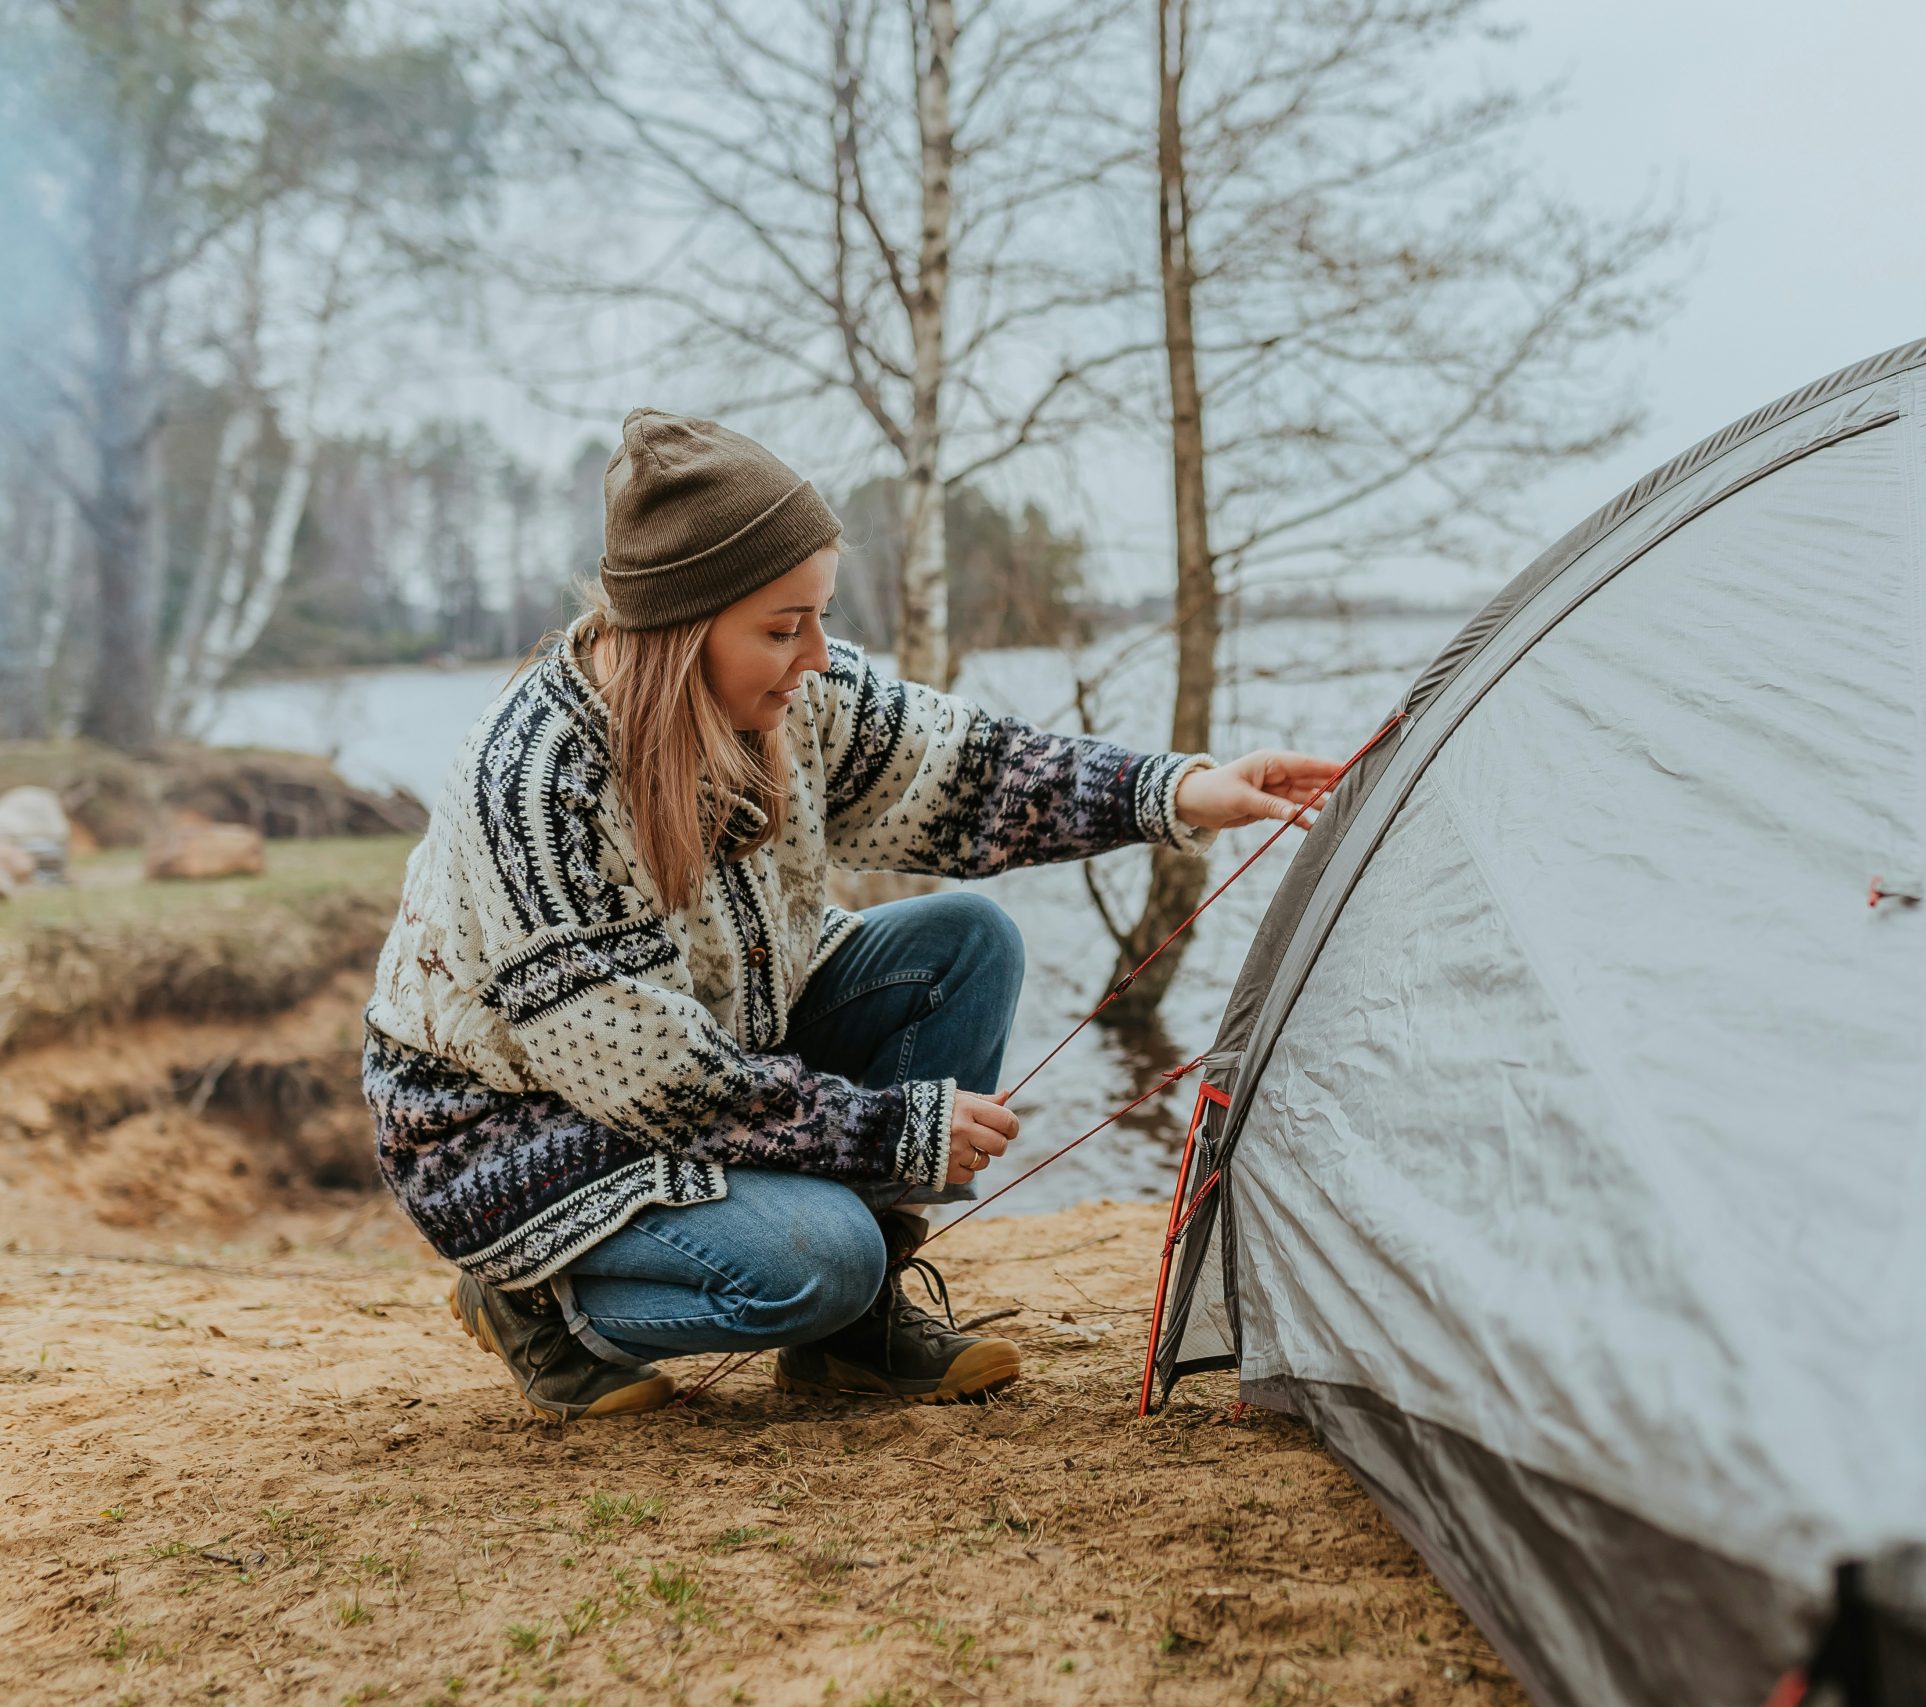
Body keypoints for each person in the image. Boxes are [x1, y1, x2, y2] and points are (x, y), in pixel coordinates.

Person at [361, 407, 1337, 1420]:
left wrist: (1180, 793)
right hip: (517, 1130)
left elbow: (971, 772)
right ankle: (536, 1297)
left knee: (964, 944)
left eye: (819, 617)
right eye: (784, 629)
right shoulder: (536, 784)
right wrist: (888, 1135)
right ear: (681, 630)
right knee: (816, 1264)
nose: (818, 655)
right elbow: (650, 1076)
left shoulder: (792, 697)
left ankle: (848, 1341)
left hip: (726, 1040)